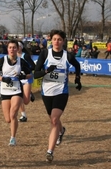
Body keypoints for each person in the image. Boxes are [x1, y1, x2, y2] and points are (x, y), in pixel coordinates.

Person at [34, 29, 82, 162]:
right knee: (53, 119)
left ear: (63, 41)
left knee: (54, 120)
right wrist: (46, 71)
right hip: (47, 92)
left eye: (59, 39)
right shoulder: (45, 53)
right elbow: (36, 73)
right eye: (54, 39)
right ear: (51, 40)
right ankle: (61, 131)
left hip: (62, 92)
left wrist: (77, 79)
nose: (56, 42)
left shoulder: (68, 56)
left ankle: (50, 151)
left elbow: (77, 65)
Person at [0, 39, 32, 146]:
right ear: (7, 49)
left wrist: (23, 76)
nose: (12, 49)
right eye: (10, 47)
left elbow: (30, 74)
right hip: (5, 90)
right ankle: (12, 128)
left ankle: (12, 138)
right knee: (8, 119)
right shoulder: (2, 60)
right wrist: (3, 79)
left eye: (14, 47)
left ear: (17, 49)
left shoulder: (21, 61)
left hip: (16, 90)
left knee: (13, 114)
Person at [17, 41, 36, 122]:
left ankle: (30, 93)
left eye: (18, 46)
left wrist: (25, 71)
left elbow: (33, 66)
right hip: (18, 79)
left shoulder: (26, 56)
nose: (16, 48)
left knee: (26, 101)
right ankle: (23, 115)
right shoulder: (12, 56)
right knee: (18, 97)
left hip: (27, 78)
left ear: (21, 47)